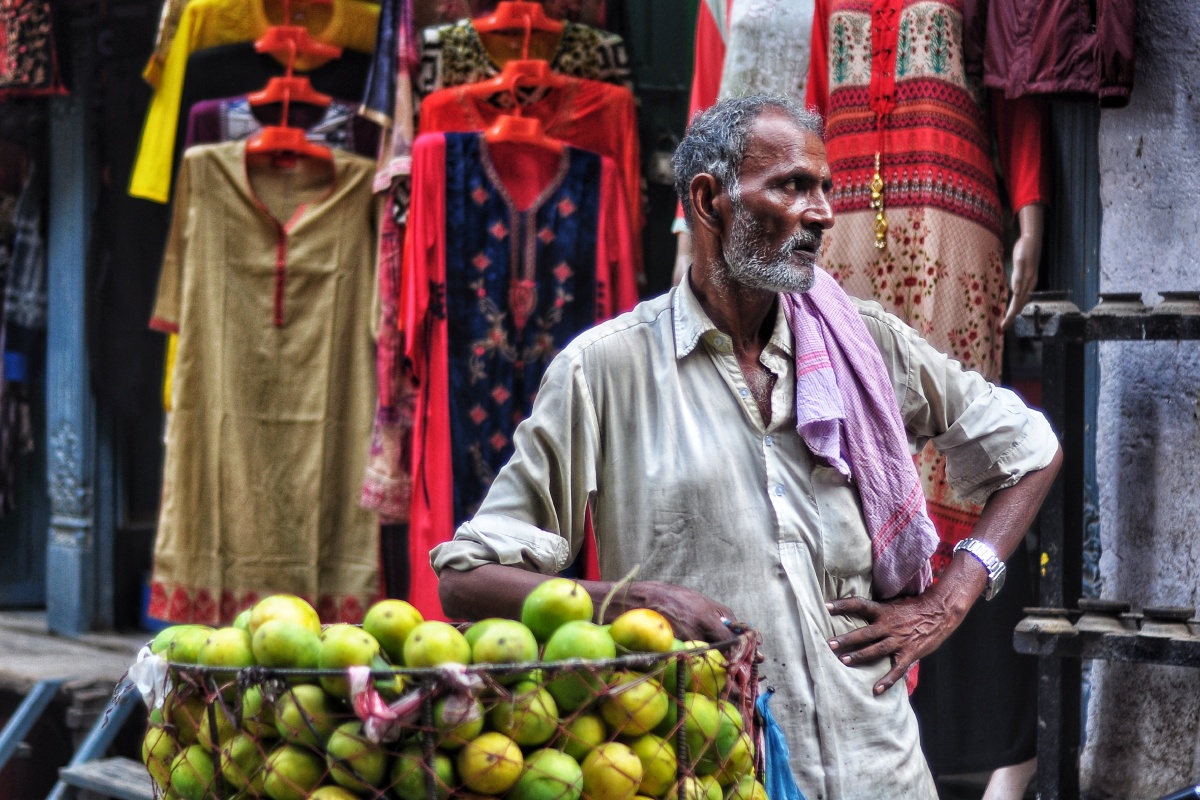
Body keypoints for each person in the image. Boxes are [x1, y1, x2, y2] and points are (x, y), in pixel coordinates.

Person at [432, 94, 1062, 798]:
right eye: (793, 186)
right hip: (712, 770)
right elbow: (464, 580)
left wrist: (950, 599)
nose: (822, 213)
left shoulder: (864, 343)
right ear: (710, 201)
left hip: (881, 769)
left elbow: (1030, 448)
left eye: (825, 189)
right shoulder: (603, 372)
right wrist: (633, 600)